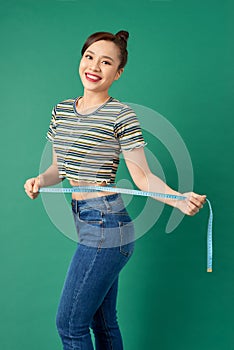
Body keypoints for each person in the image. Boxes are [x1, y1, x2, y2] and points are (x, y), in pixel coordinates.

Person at [24, 30, 206, 350]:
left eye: (106, 62)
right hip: (84, 220)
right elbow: (58, 169)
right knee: (103, 323)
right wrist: (39, 180)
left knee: (69, 325)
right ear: (81, 60)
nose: (94, 66)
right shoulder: (62, 111)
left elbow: (142, 175)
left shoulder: (121, 114)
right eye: (89, 57)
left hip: (107, 225)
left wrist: (178, 200)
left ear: (118, 73)